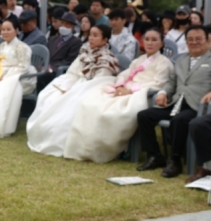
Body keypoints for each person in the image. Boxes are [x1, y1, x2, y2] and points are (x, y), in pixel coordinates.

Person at [64, 28, 173, 163]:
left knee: (110, 113)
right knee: (92, 103)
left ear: (161, 44)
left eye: (154, 40)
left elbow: (158, 83)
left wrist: (131, 90)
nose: (150, 43)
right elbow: (124, 74)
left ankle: (113, 149)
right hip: (125, 90)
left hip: (141, 94)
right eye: (147, 39)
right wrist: (120, 85)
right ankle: (86, 147)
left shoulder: (164, 62)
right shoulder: (139, 60)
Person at [136, 25, 211, 178]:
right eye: (190, 39)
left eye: (198, 39)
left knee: (179, 120)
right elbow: (172, 82)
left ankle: (175, 160)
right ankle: (154, 155)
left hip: (198, 106)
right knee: (144, 115)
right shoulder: (181, 59)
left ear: (207, 41)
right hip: (176, 102)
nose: (194, 42)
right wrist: (163, 92)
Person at [27, 25, 120, 157]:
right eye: (90, 35)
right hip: (76, 82)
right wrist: (67, 86)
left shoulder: (107, 59)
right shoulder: (85, 52)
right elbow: (73, 72)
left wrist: (74, 89)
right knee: (49, 94)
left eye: (95, 35)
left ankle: (61, 140)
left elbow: (99, 81)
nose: (91, 38)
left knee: (69, 105)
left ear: (105, 40)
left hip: (89, 88)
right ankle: (42, 133)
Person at [37, 12, 83, 91]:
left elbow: (69, 61)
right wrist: (43, 66)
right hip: (46, 68)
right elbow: (46, 55)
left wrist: (51, 68)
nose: (64, 26)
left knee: (40, 77)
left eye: (67, 24)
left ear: (73, 27)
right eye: (62, 23)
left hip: (59, 71)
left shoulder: (76, 42)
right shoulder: (52, 39)